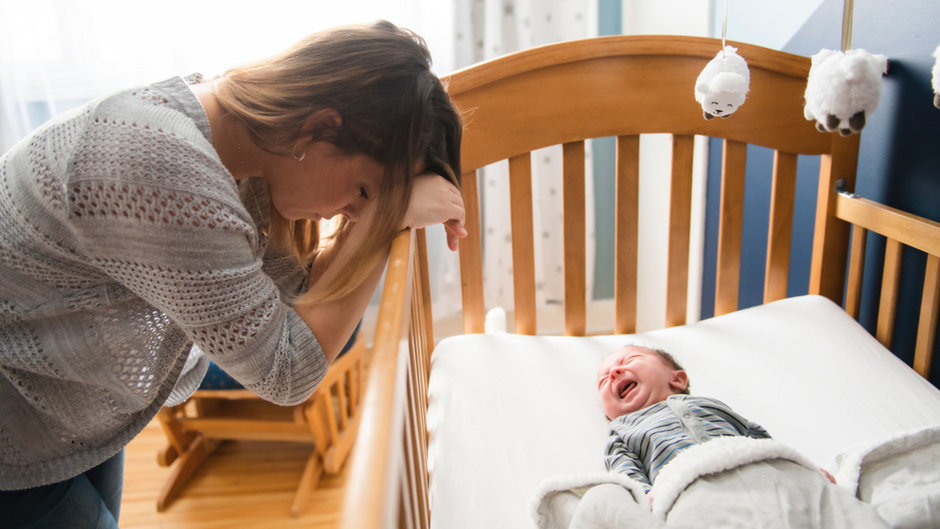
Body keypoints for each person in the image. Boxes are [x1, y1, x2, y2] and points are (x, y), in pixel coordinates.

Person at [0, 20, 464, 528]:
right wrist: (383, 220)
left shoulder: (241, 147)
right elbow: (288, 372)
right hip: (17, 416)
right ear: (322, 128)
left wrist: (382, 205)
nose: (351, 213)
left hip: (82, 400)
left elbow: (296, 297)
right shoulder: (160, 164)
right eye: (362, 189)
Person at [594, 344, 889, 528]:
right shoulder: (624, 429)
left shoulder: (709, 404)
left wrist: (803, 467)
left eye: (629, 360)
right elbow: (624, 472)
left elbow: (757, 438)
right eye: (604, 379)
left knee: (811, 503)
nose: (615, 373)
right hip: (687, 485)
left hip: (754, 468)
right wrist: (645, 499)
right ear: (611, 414)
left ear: (677, 379)